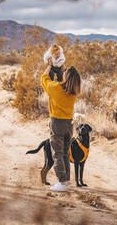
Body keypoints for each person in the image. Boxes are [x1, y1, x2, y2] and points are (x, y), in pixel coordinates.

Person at [40, 60, 81, 192]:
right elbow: (67, 77)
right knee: (65, 153)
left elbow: (44, 79)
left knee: (57, 153)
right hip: (69, 125)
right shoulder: (73, 92)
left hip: (57, 123)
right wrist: (63, 66)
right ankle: (67, 181)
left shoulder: (55, 88)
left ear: (66, 77)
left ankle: (62, 182)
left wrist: (50, 67)